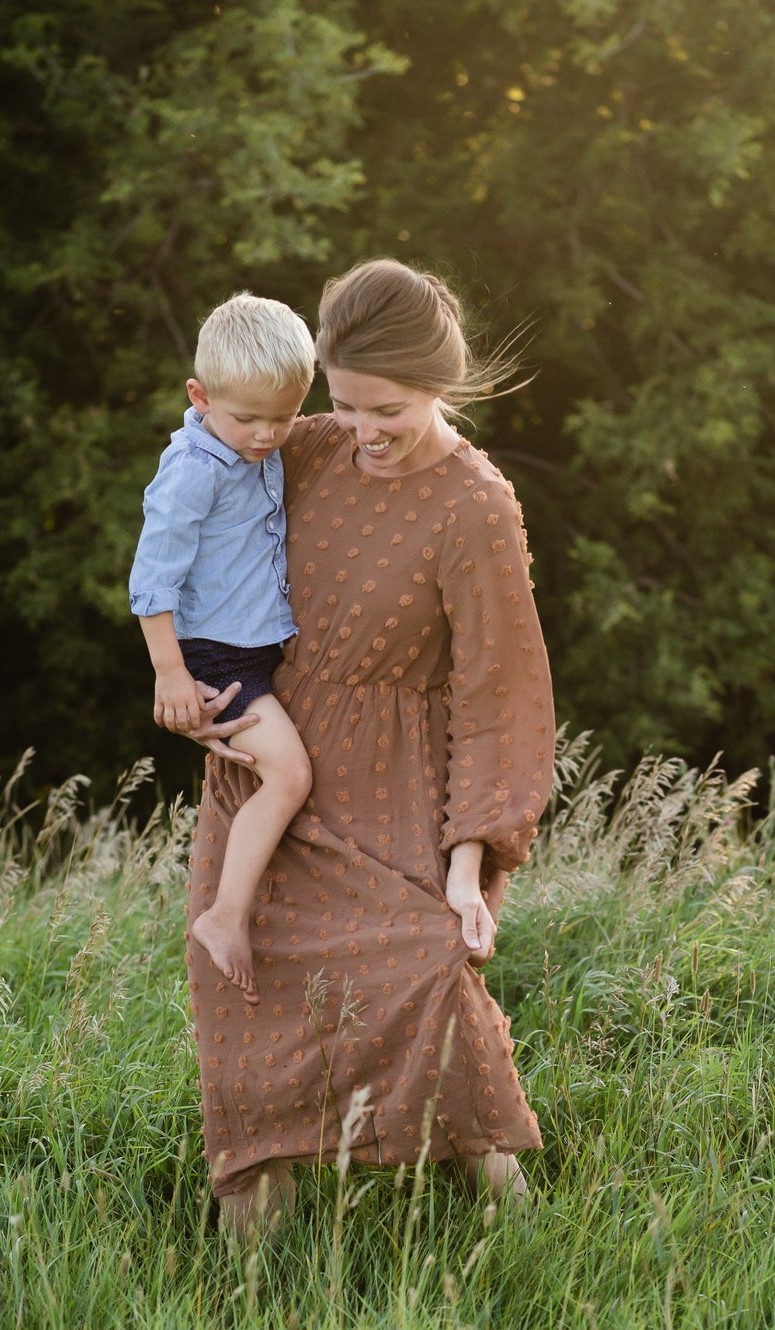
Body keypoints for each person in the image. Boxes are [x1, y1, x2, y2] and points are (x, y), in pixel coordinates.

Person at [181, 258, 556, 1238]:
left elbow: (497, 695)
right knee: (249, 1030)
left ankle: (532, 1253)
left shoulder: (474, 507)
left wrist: (468, 869)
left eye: (384, 409)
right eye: (342, 404)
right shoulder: (299, 449)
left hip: (395, 801)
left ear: (439, 384)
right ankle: (240, 1312)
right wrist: (178, 670)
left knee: (434, 988)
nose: (361, 431)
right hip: (266, 783)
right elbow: (187, 514)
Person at [129, 291, 315, 1004]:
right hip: (214, 656)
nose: (268, 434)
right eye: (248, 418)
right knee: (290, 777)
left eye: (285, 416)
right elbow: (152, 578)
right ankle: (225, 916)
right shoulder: (195, 468)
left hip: (249, 645)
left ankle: (231, 908)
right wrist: (170, 673)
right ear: (199, 396)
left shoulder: (245, 440)